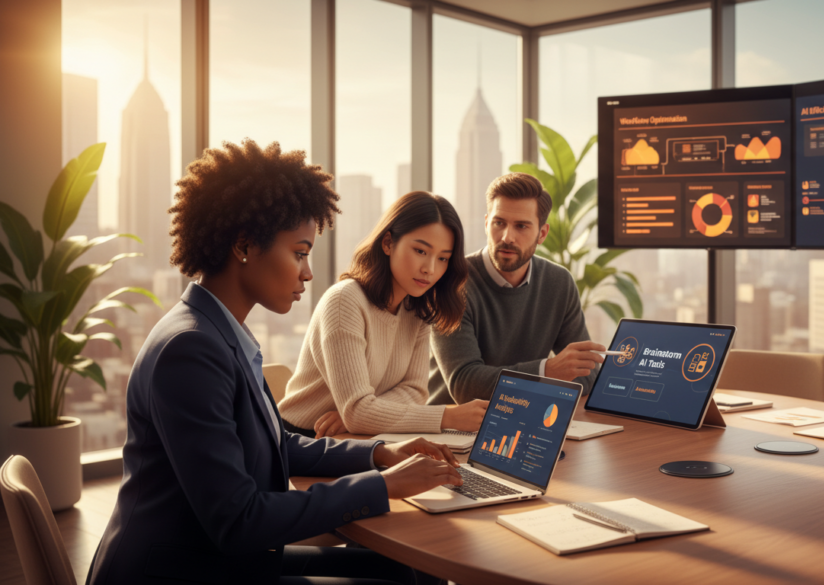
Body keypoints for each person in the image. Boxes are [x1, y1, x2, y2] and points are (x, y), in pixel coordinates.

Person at [86, 140, 462, 585]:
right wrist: (383, 485)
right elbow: (239, 519)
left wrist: (381, 453)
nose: (308, 272)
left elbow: (279, 444)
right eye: (300, 253)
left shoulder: (220, 332)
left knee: (407, 570)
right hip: (179, 572)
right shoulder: (190, 351)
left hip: (222, 560)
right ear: (244, 246)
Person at [278, 192, 488, 438]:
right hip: (300, 439)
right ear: (388, 243)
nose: (430, 269)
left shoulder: (418, 311)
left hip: (359, 436)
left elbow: (416, 392)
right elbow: (358, 412)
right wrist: (449, 417)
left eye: (443, 258)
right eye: (421, 251)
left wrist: (366, 413)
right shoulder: (345, 301)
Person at [428, 172, 606, 406]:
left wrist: (537, 385)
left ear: (542, 234)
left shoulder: (559, 282)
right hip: (453, 424)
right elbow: (465, 385)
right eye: (499, 223)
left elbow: (587, 374)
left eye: (521, 226)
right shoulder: (452, 282)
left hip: (523, 415)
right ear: (486, 224)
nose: (507, 237)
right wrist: (545, 372)